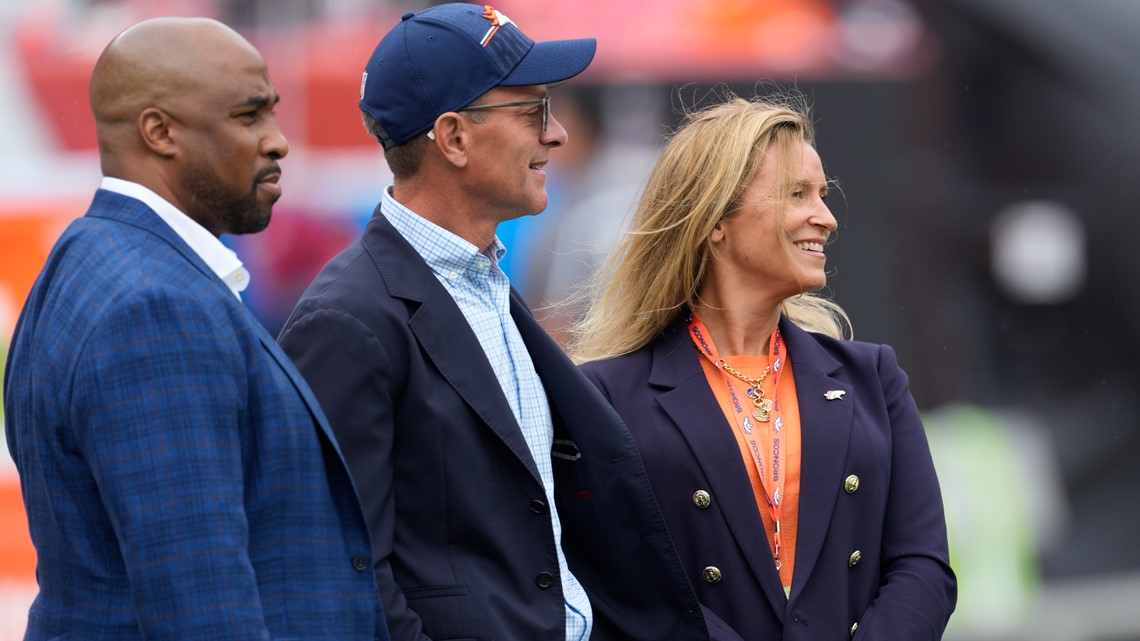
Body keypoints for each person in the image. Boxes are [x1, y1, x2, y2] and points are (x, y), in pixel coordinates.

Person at [277, 4, 721, 641]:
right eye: (534, 110)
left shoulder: (482, 284)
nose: (558, 133)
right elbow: (340, 576)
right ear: (454, 137)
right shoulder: (348, 321)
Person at [3, 17, 388, 640]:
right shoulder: (153, 309)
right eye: (248, 116)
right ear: (159, 132)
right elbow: (199, 603)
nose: (277, 142)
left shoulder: (100, 259)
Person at [571, 93, 958, 640]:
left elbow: (922, 565)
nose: (824, 218)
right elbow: (621, 582)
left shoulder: (873, 377)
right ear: (714, 220)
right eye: (796, 194)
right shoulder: (606, 397)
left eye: (822, 195)